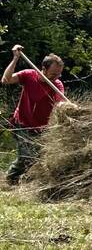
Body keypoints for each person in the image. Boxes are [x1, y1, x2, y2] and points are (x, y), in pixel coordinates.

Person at [2, 45, 66, 184]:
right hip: (22, 123)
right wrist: (15, 58)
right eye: (54, 73)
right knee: (26, 156)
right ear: (43, 69)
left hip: (41, 127)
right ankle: (10, 179)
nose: (57, 77)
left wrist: (70, 108)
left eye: (59, 73)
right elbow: (6, 80)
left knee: (38, 158)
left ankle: (24, 181)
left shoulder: (57, 85)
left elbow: (60, 103)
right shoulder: (28, 75)